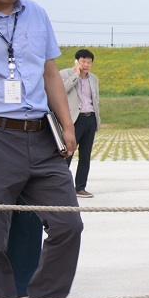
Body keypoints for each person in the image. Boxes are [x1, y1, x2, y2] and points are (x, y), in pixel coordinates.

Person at [0, 0, 84, 298]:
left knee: (68, 225)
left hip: (40, 134)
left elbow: (49, 74)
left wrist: (67, 125)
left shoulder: (36, 14)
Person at [60, 49, 101, 198]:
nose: (86, 65)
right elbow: (62, 90)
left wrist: (97, 120)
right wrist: (76, 75)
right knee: (67, 153)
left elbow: (95, 99)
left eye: (89, 62)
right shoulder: (65, 74)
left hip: (90, 118)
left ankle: (80, 187)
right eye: (83, 61)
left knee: (85, 155)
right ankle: (61, 187)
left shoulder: (93, 78)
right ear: (77, 61)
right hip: (73, 120)